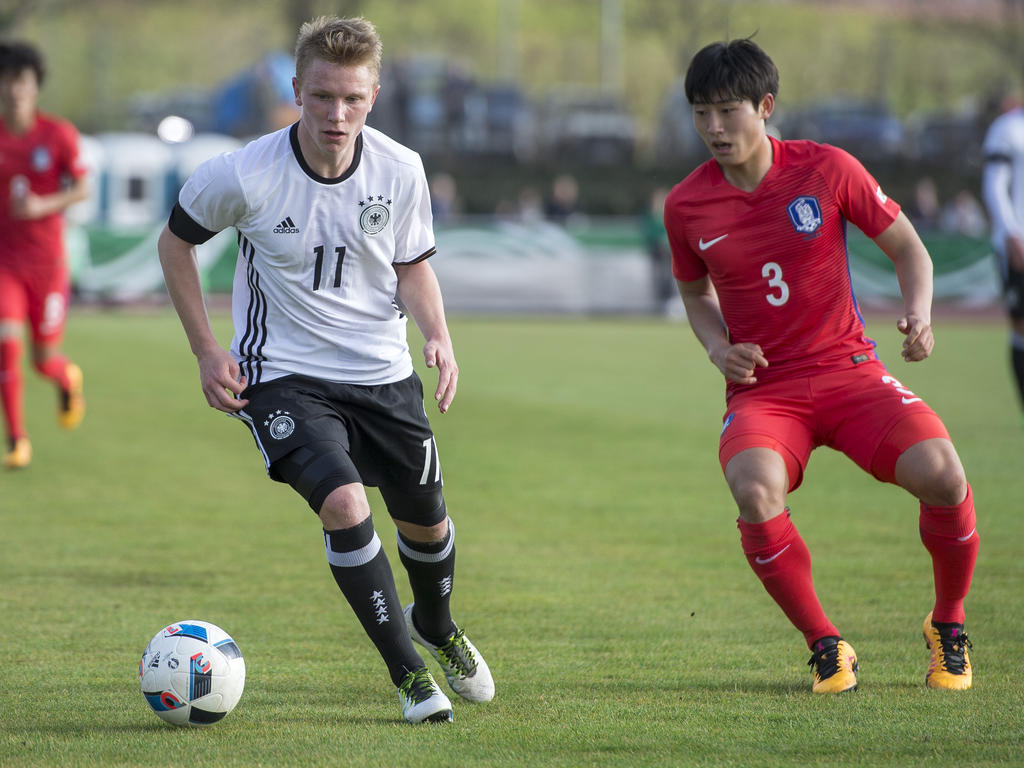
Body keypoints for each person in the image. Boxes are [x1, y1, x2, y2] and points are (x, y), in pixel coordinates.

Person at [157, 16, 493, 724]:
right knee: (345, 505)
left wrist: (439, 335)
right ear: (297, 91)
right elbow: (176, 244)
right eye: (322, 98)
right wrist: (205, 349)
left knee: (426, 525)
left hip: (383, 370)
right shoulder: (244, 173)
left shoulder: (400, 169)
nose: (336, 115)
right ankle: (409, 675)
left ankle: (436, 625)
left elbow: (412, 265)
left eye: (353, 99)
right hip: (283, 375)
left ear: (374, 95)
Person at [664, 38, 978, 694]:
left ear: (766, 106)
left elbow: (909, 249)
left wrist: (919, 314)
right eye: (700, 114)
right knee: (753, 491)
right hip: (766, 392)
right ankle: (826, 645)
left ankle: (947, 623)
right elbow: (695, 296)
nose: (713, 129)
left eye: (727, 111)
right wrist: (719, 349)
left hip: (850, 372)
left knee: (945, 476)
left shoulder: (827, 169)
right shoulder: (686, 206)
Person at [0, 41, 89, 469]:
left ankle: (65, 376)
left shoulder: (57, 135)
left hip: (48, 266)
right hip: (5, 265)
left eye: (23, 81)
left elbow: (83, 188)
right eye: (8, 80)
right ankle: (17, 439)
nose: (15, 90)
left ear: (35, 86)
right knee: (6, 345)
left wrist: (42, 205)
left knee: (41, 360)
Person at [981, 92, 1024, 423]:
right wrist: (1011, 233)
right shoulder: (1007, 129)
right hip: (1018, 243)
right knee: (1021, 326)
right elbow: (995, 185)